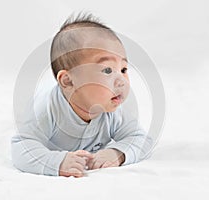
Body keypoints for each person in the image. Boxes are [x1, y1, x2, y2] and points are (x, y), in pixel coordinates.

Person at [11, 13, 152, 178]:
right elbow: (21, 148)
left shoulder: (113, 109)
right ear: (68, 81)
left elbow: (141, 139)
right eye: (107, 70)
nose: (121, 81)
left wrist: (117, 153)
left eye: (123, 69)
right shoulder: (46, 109)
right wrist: (56, 162)